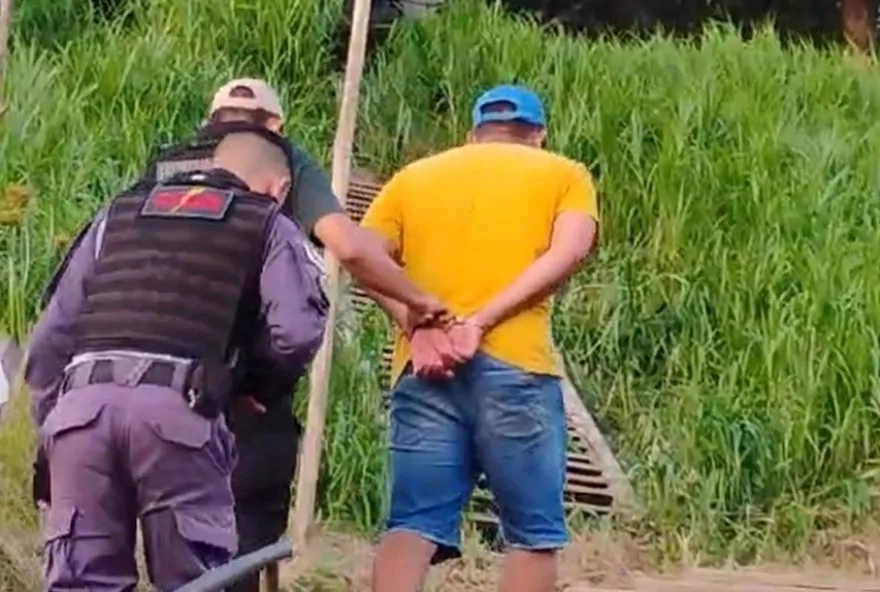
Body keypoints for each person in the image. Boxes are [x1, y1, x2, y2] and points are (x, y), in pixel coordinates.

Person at [141, 77, 448, 592]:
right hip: (243, 385)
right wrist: (416, 306)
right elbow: (347, 247)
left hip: (151, 381)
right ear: (277, 125)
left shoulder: (165, 162)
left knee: (172, 546)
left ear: (209, 119)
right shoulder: (281, 158)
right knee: (243, 539)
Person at [25, 130, 328, 591]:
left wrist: (53, 427)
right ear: (280, 188)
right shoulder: (267, 221)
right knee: (194, 582)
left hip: (81, 409)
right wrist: (248, 386)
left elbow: (50, 338)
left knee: (82, 584)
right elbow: (297, 332)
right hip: (179, 411)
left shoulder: (119, 211)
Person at [360, 84, 600, 592]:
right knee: (532, 535)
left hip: (426, 366)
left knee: (412, 524)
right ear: (538, 134)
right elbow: (570, 251)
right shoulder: (565, 173)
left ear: (473, 135)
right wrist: (481, 322)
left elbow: (362, 256)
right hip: (518, 365)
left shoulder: (414, 177)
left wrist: (416, 325)